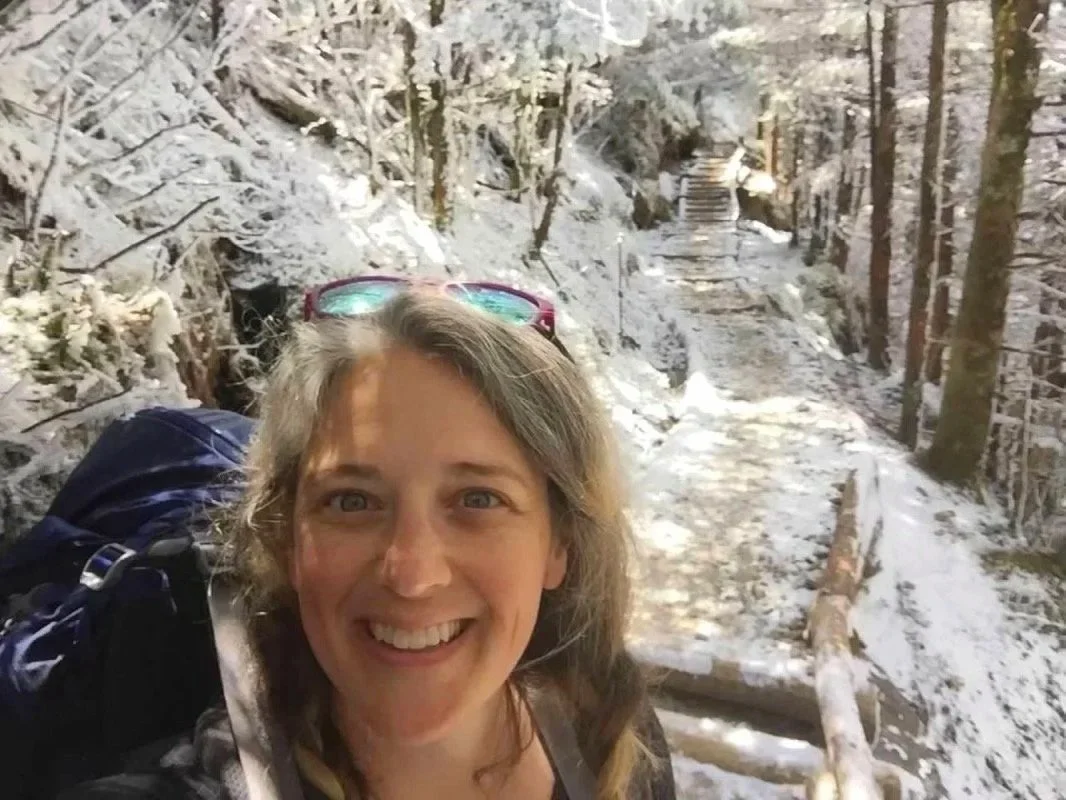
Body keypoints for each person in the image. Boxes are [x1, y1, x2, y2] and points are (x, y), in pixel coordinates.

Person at [62, 276, 676, 800]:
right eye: (352, 501)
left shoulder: (613, 738)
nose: (411, 573)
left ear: (558, 542)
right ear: (286, 537)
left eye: (478, 499)